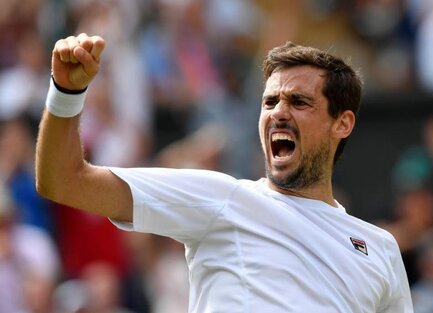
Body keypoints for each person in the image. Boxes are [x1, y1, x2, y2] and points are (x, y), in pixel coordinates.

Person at [35, 33, 413, 312]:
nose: (279, 112)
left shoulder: (379, 249)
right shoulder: (221, 198)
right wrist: (66, 94)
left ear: (342, 123)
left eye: (299, 102)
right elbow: (63, 180)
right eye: (269, 102)